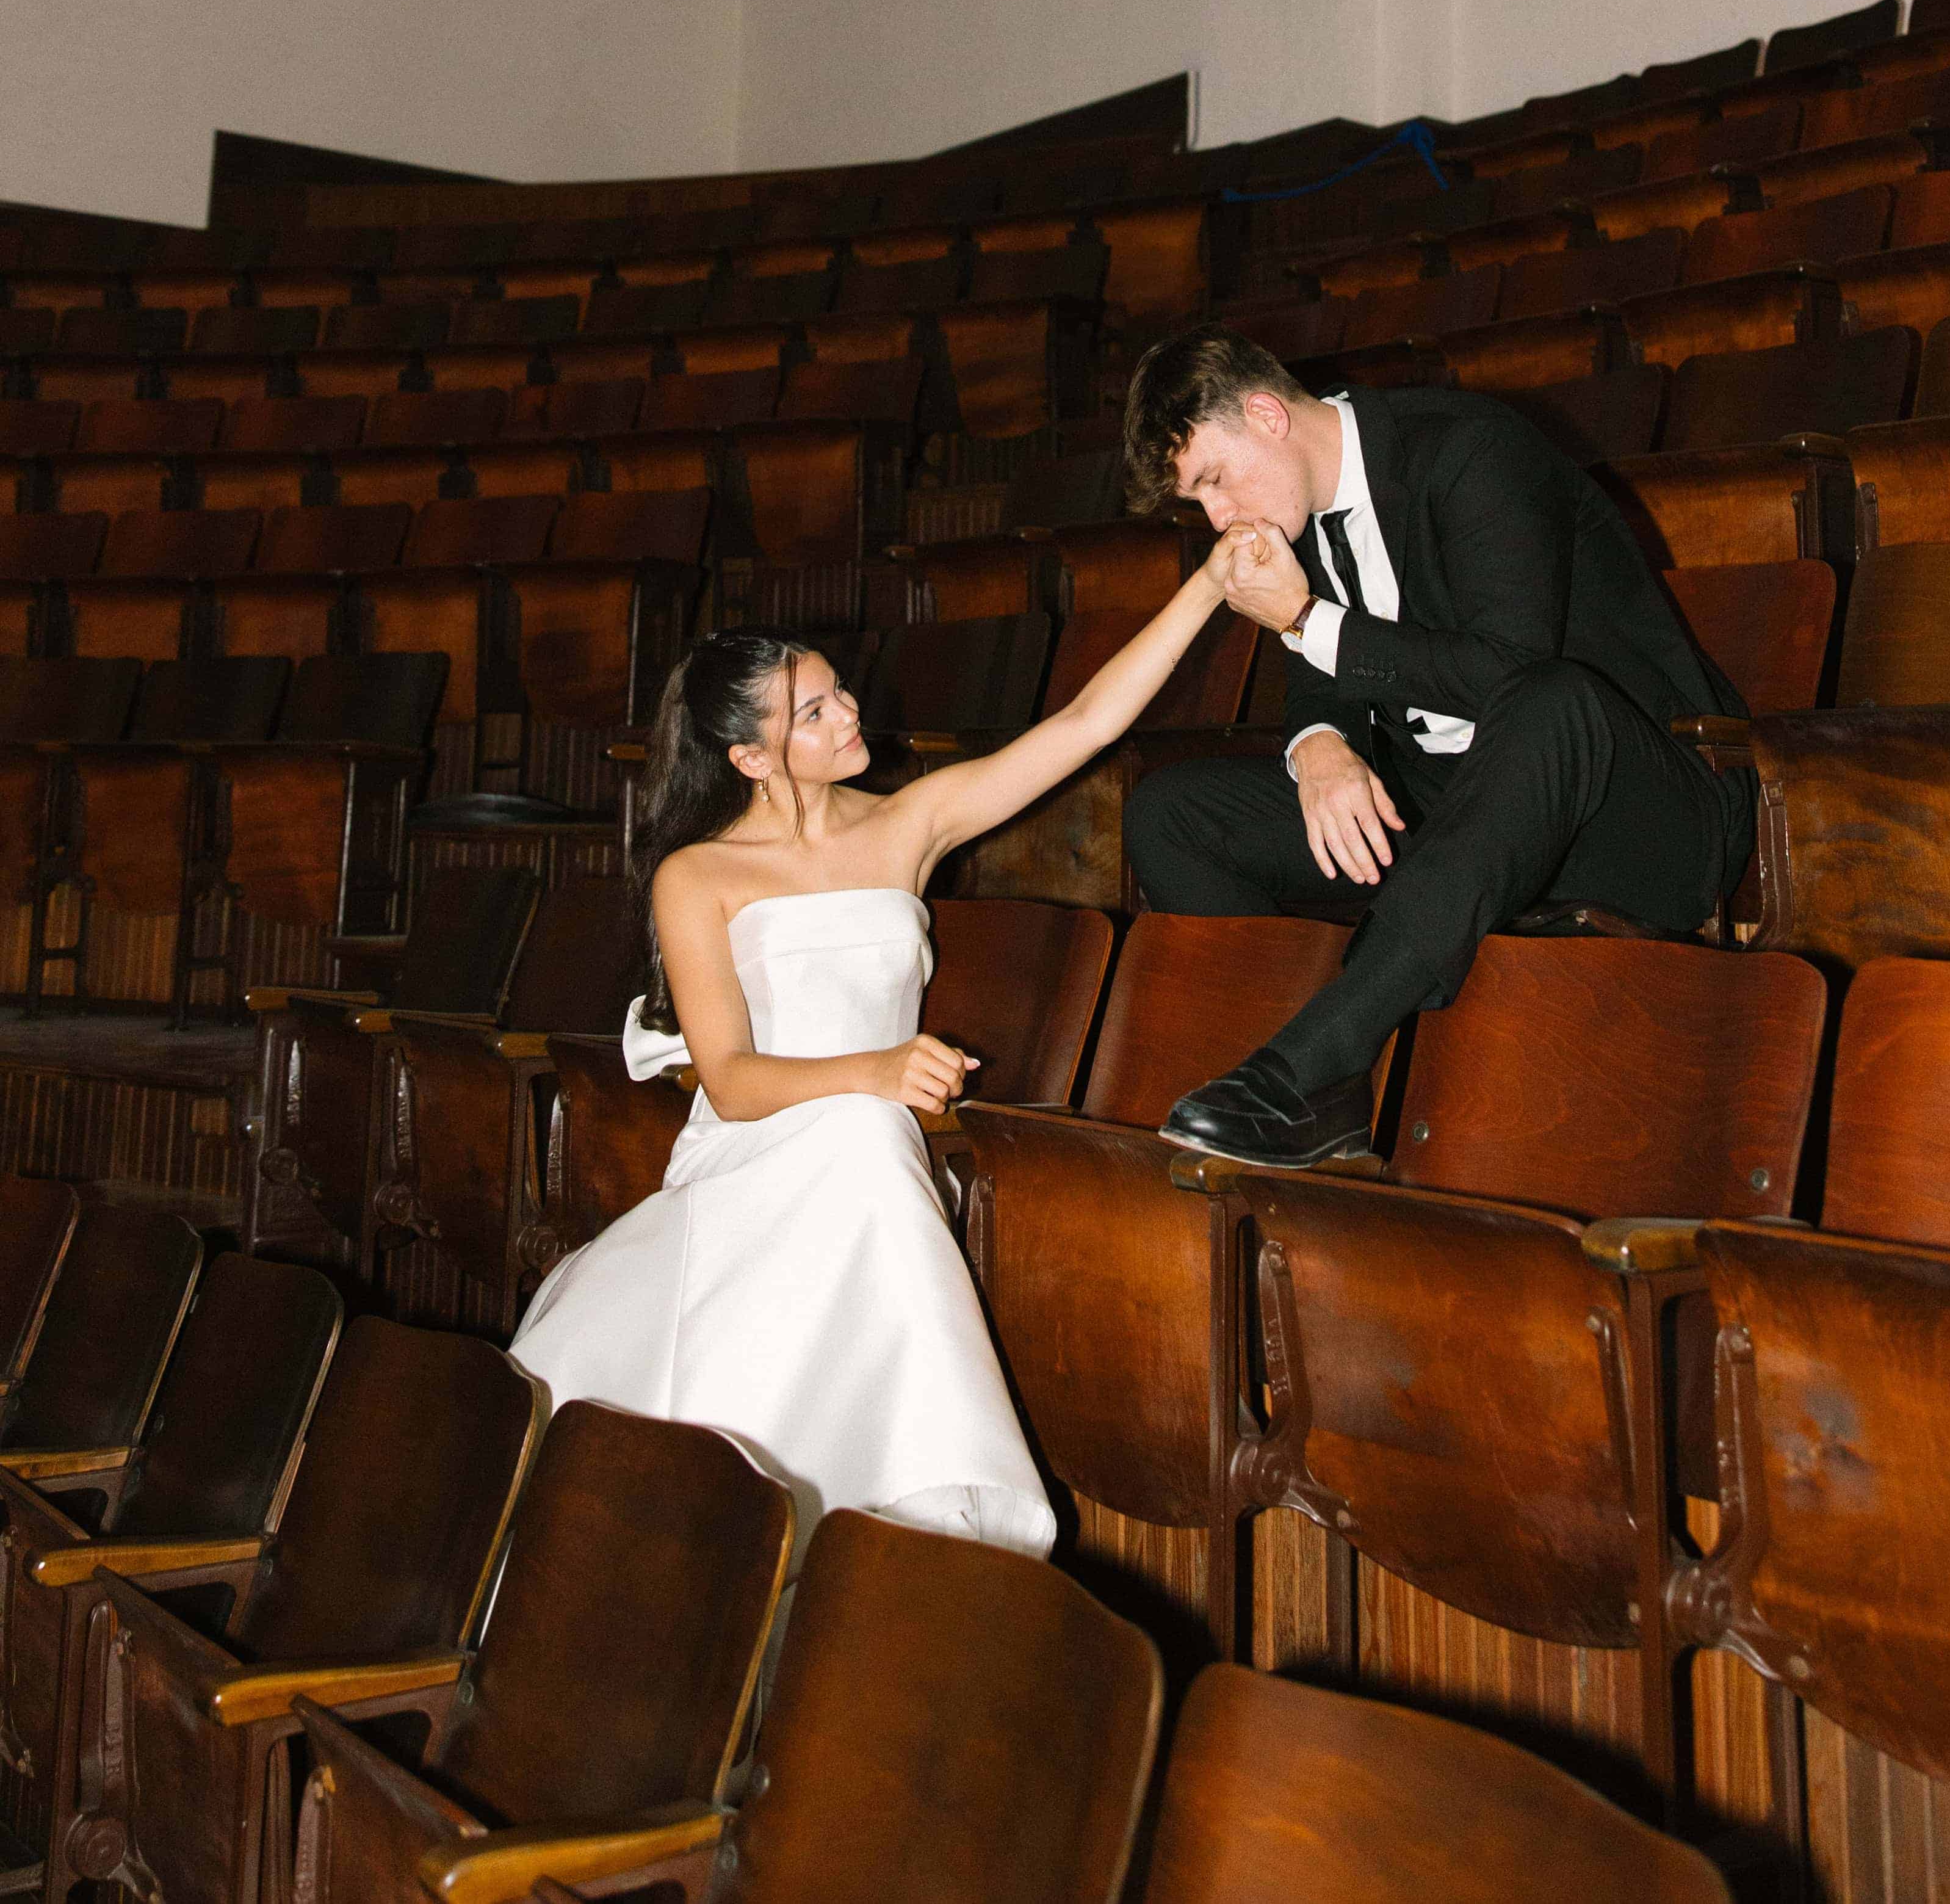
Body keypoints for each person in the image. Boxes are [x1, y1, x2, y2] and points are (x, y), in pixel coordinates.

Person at [511, 525, 1249, 1568]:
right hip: (760, 1147)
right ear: (751, 758)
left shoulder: (907, 822)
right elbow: (729, 1077)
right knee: (863, 1137)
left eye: (836, 691)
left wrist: (1210, 584)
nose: (850, 711)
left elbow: (1085, 723)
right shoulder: (699, 876)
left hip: (869, 1152)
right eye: (813, 713)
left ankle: (905, 1536)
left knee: (867, 1145)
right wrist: (879, 1073)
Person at [1121, 325, 1757, 1170]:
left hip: (1628, 804)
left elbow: (1508, 671)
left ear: (1268, 415)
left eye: (1212, 481)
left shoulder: (1469, 450)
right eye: (1196, 502)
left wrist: (1306, 620)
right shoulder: (1290, 507)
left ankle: (1318, 1056)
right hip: (1459, 814)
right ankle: (1280, 1086)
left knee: (1545, 699)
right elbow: (1322, 676)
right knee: (1170, 813)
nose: (1217, 518)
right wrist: (1320, 745)